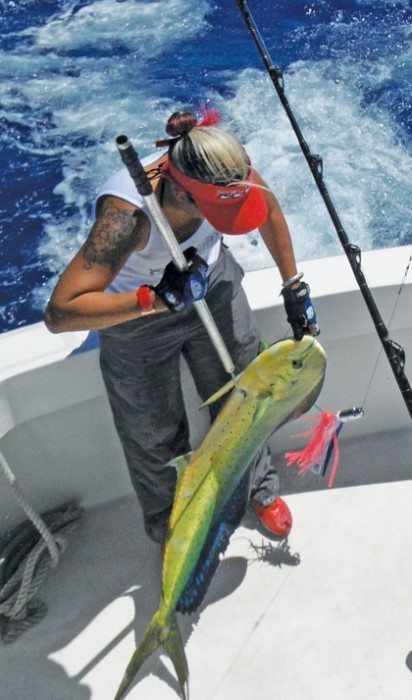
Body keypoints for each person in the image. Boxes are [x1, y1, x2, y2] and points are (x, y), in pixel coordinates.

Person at [44, 108, 319, 544]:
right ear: (182, 191)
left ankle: (258, 491)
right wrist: (154, 299)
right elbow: (60, 312)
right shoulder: (127, 217)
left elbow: (266, 210)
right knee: (153, 434)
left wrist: (293, 285)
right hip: (137, 319)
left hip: (213, 284)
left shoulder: (227, 168)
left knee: (246, 403)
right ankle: (172, 531)